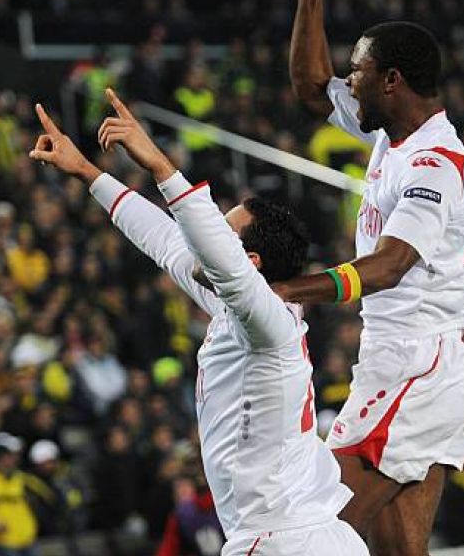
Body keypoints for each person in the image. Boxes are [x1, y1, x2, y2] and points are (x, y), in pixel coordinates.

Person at [28, 93, 368, 556]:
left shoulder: (268, 325)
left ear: (248, 262)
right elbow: (165, 240)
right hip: (304, 536)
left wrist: (160, 166)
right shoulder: (244, 311)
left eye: (222, 235)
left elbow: (214, 254)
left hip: (279, 541)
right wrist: (89, 173)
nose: (200, 243)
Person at [281, 0, 464, 552]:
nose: (348, 82)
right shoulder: (389, 134)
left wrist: (288, 290)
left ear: (391, 80)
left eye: (358, 71)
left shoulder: (433, 164)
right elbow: (309, 89)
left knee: (317, 524)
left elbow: (390, 266)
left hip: (416, 361)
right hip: (416, 360)